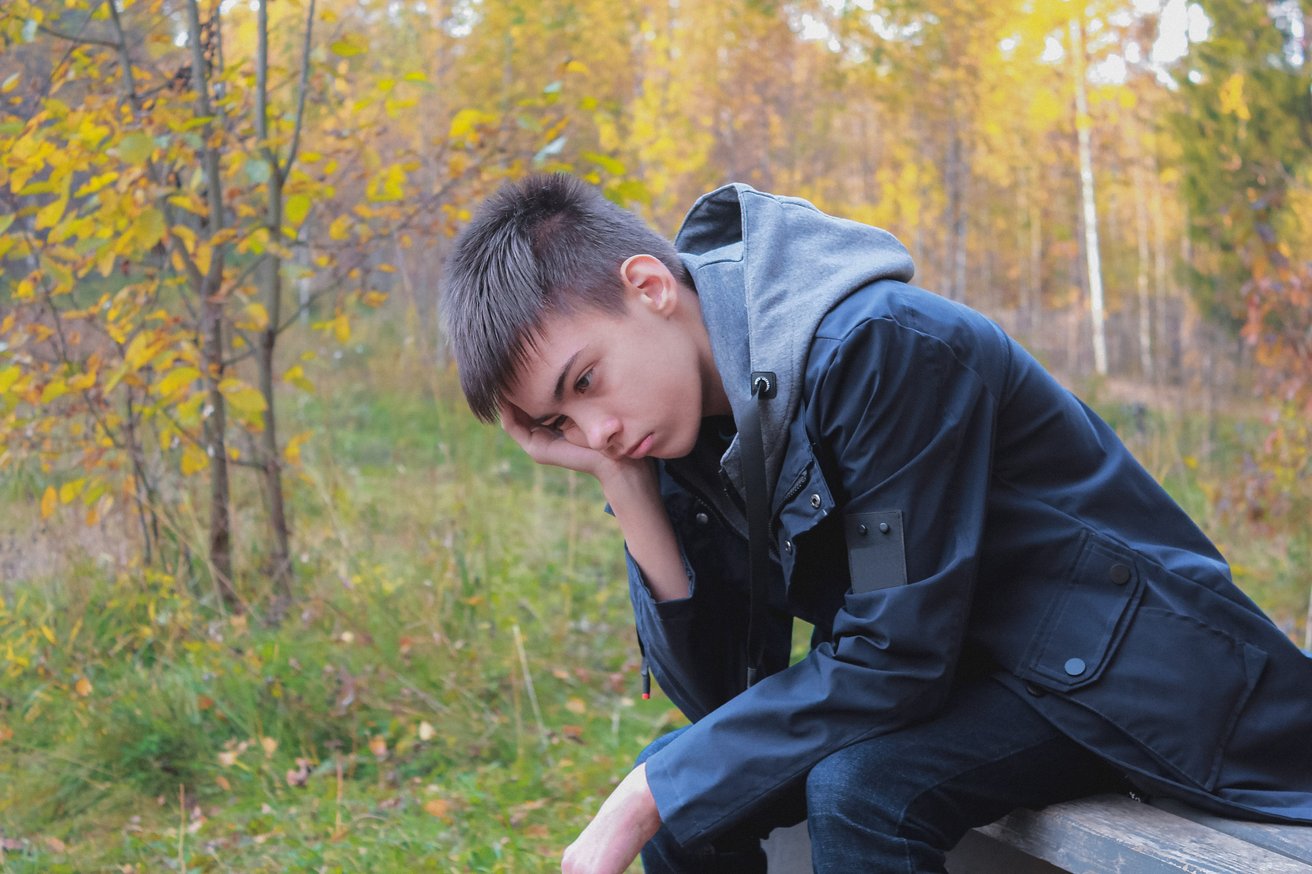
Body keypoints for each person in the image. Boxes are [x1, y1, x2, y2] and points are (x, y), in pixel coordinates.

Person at [440, 173, 1312, 874]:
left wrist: (645, 791)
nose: (594, 432)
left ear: (650, 285)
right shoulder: (675, 434)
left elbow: (894, 660)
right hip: (986, 674)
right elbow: (721, 704)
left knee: (859, 790)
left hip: (1135, 674)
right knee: (700, 809)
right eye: (557, 426)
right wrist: (627, 491)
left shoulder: (878, 349)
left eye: (584, 382)